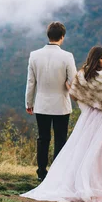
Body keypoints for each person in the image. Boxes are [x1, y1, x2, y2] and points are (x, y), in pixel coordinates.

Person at [21, 46, 102, 202]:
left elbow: (75, 91)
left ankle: (86, 182)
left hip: (89, 117)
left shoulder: (83, 75)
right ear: (95, 58)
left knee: (86, 149)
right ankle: (96, 185)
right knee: (99, 151)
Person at [25, 21, 77, 181]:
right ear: (62, 37)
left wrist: (29, 103)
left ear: (48, 35)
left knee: (43, 138)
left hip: (41, 104)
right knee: (60, 139)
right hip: (61, 105)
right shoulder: (67, 56)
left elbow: (31, 82)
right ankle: (57, 173)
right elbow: (73, 81)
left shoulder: (34, 55)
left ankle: (41, 172)